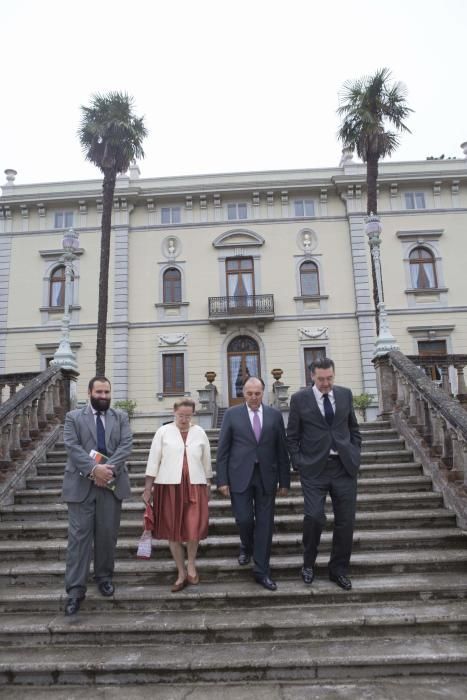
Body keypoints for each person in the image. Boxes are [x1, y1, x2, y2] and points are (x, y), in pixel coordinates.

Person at [287, 357, 361, 590]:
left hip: (343, 467)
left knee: (346, 522)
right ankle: (308, 563)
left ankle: (338, 570)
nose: (326, 383)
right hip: (314, 469)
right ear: (312, 376)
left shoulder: (345, 394)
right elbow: (292, 436)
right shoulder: (299, 399)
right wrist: (299, 462)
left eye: (329, 378)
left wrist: (355, 452)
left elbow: (353, 428)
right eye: (321, 379)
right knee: (314, 516)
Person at [62, 376, 133, 616]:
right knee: (79, 539)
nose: (103, 396)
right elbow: (72, 447)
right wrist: (94, 469)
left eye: (106, 392)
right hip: (81, 486)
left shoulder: (120, 417)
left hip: (111, 485)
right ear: (89, 392)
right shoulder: (73, 418)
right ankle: (74, 590)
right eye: (99, 392)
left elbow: (126, 445)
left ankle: (103, 577)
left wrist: (107, 470)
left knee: (107, 536)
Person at [216, 377, 290, 591]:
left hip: (267, 476)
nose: (254, 397)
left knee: (266, 525)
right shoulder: (231, 415)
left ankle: (261, 570)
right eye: (249, 393)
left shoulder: (275, 415)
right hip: (239, 476)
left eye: (257, 393)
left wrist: (284, 481)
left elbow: (281, 450)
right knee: (244, 519)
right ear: (243, 393)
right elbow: (223, 450)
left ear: (263, 393)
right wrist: (222, 480)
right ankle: (246, 546)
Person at [142, 398, 212, 592]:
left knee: (193, 528)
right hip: (168, 486)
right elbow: (153, 460)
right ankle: (181, 572)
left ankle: (191, 564)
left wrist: (208, 483)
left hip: (195, 486)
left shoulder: (200, 433)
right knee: (173, 530)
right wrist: (148, 488)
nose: (184, 419)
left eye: (188, 416)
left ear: (193, 415)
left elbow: (207, 461)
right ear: (174, 412)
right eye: (181, 415)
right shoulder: (162, 432)